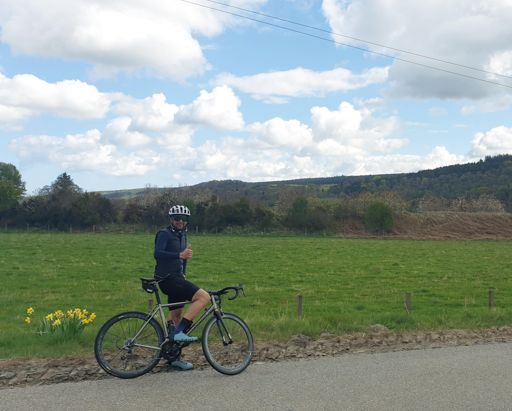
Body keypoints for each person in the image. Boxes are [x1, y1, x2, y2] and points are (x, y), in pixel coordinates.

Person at [154, 204, 210, 370]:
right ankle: (180, 333)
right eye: (177, 218)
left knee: (176, 316)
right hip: (168, 279)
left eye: (183, 218)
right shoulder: (164, 234)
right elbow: (157, 253)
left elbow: (183, 259)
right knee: (204, 297)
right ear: (171, 219)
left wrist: (183, 270)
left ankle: (173, 356)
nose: (180, 221)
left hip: (176, 278)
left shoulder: (182, 236)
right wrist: (179, 255)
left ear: (187, 221)